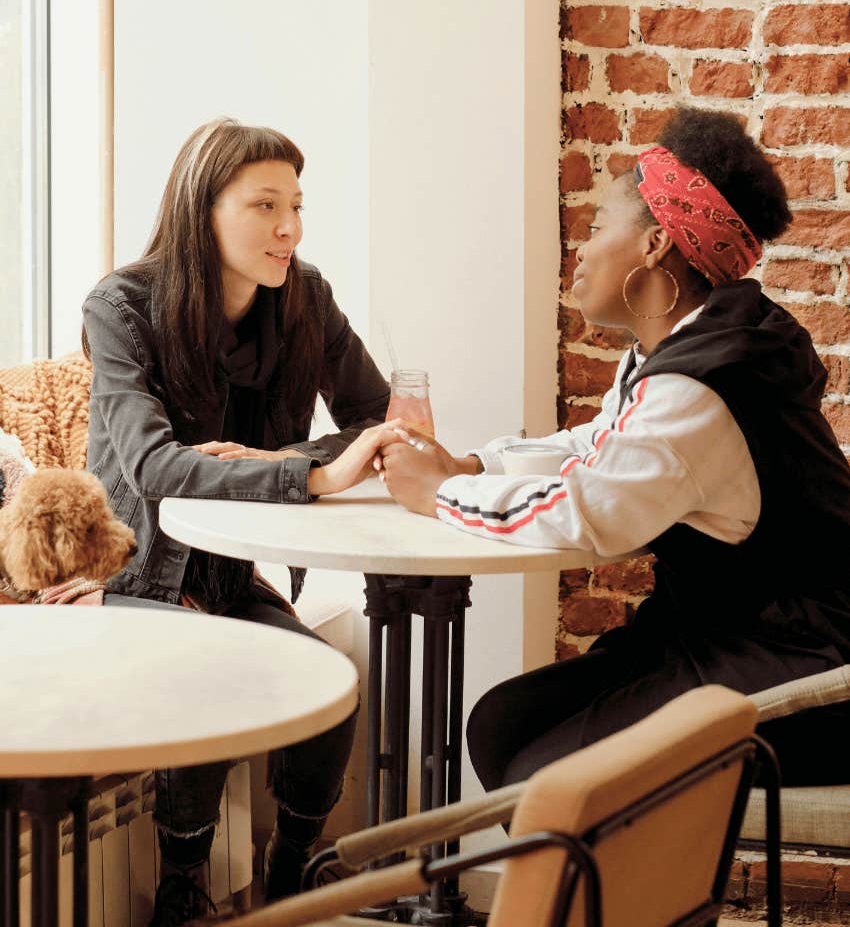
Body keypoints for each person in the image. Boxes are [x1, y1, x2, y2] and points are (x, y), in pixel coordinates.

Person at [379, 107, 850, 792]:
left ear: (657, 245)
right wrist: (475, 466)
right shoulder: (686, 353)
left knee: (546, 781)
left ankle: (635, 895)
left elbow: (587, 511)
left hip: (806, 676)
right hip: (718, 638)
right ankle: (611, 896)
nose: (582, 247)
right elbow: (601, 447)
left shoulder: (702, 386)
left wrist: (437, 493)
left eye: (598, 227)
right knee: (501, 726)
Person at [83, 117, 399, 924]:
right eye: (264, 205)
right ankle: (182, 888)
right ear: (203, 210)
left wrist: (276, 460)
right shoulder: (123, 306)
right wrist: (313, 472)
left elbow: (374, 415)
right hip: (138, 577)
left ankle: (293, 872)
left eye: (295, 205)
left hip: (226, 571)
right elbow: (154, 467)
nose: (288, 227)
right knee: (207, 674)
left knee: (333, 689)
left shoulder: (304, 298)